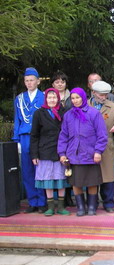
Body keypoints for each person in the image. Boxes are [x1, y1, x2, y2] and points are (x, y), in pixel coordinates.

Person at [58, 88, 108, 216]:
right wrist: (62, 153)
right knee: (76, 182)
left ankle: (91, 207)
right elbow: (63, 136)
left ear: (83, 98)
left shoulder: (94, 113)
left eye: (77, 98)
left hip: (90, 154)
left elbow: (102, 135)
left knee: (92, 182)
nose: (75, 101)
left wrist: (98, 151)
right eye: (73, 98)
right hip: (74, 155)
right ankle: (80, 207)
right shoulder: (68, 115)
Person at [30, 88, 70, 216]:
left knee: (60, 178)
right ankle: (50, 207)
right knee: (48, 180)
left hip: (61, 151)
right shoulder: (39, 113)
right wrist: (34, 154)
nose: (52, 100)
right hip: (45, 151)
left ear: (58, 98)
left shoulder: (64, 112)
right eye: (49, 97)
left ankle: (61, 206)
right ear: (45, 99)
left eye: (54, 97)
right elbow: (34, 135)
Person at [12, 67, 47, 213]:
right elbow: (17, 120)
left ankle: (43, 201)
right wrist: (16, 140)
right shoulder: (19, 99)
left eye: (32, 80)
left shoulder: (44, 97)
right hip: (25, 137)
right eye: (26, 81)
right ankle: (33, 201)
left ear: (38, 81)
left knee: (41, 170)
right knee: (27, 170)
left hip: (40, 137)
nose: (29, 83)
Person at [89, 81, 114, 213]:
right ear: (93, 93)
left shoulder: (113, 106)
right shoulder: (85, 105)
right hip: (88, 145)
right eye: (100, 95)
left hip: (106, 144)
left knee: (108, 176)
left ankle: (108, 203)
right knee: (90, 175)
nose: (103, 97)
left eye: (105, 95)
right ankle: (91, 203)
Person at [50, 70, 74, 207]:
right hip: (54, 137)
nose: (60, 84)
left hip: (69, 135)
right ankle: (57, 197)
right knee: (55, 167)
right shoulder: (49, 97)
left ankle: (68, 196)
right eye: (57, 82)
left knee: (68, 166)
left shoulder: (72, 97)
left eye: (62, 82)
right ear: (53, 84)